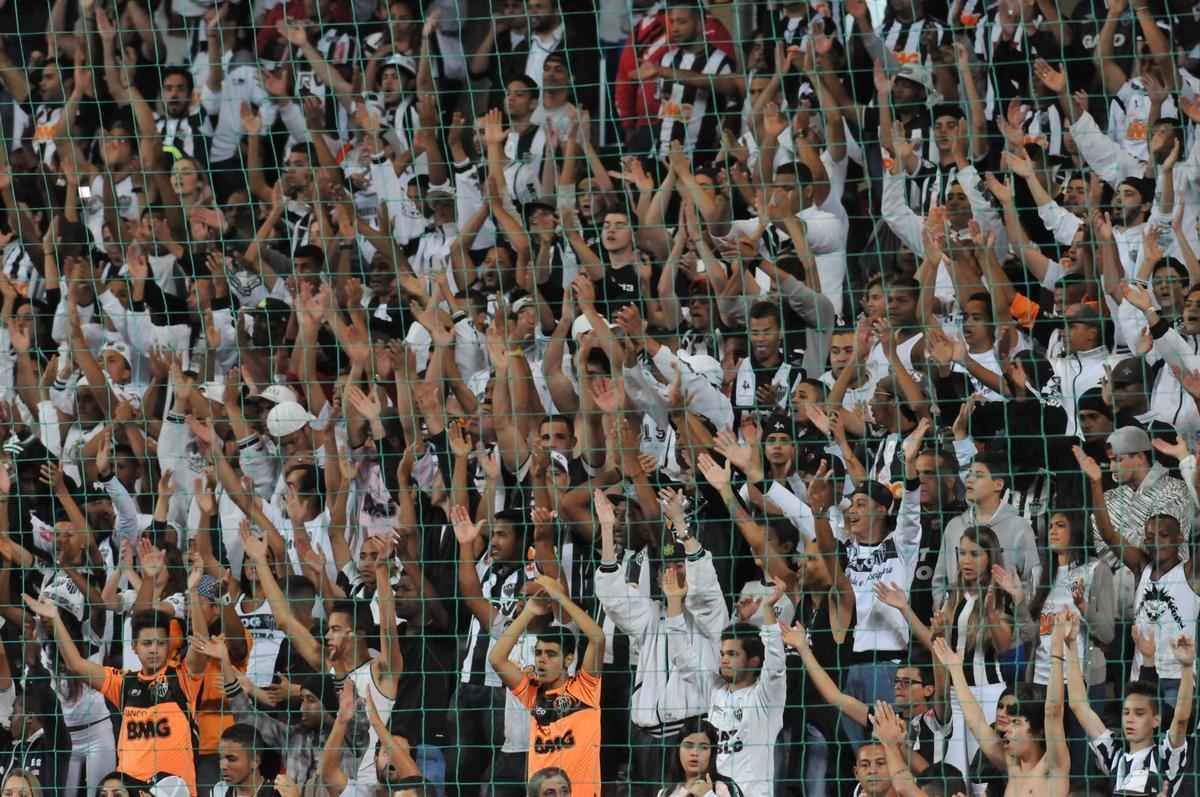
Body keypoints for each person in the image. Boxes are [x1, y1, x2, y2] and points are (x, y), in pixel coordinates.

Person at [21, 602, 202, 796]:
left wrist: (193, 593)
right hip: (130, 790)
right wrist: (55, 619)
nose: (154, 650)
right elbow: (76, 665)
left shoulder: (182, 678)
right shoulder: (123, 683)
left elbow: (202, 643)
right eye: (147, 643)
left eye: (160, 643)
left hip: (173, 790)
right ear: (134, 647)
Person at [488, 574, 605, 797]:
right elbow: (497, 659)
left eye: (551, 654)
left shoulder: (585, 689)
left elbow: (597, 638)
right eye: (538, 653)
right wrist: (529, 611)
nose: (541, 659)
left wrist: (560, 598)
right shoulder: (532, 692)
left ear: (568, 659)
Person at [934, 616, 1071, 797]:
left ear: (1038, 732)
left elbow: (1053, 712)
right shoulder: (1012, 764)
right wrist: (956, 670)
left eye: (1016, 722)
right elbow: (977, 722)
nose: (1006, 729)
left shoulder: (1053, 766)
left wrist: (1055, 652)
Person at [1065, 615, 1195, 797]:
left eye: (1139, 713)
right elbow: (1079, 706)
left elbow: (1180, 720)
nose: (1130, 719)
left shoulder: (1165, 757)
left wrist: (1187, 667)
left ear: (1155, 720)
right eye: (1126, 713)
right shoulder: (1114, 757)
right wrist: (1070, 646)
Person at [655, 719, 744, 797]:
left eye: (703, 747)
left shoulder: (726, 787)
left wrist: (708, 795)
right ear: (678, 750)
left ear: (712, 752)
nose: (695, 753)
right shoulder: (665, 793)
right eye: (688, 746)